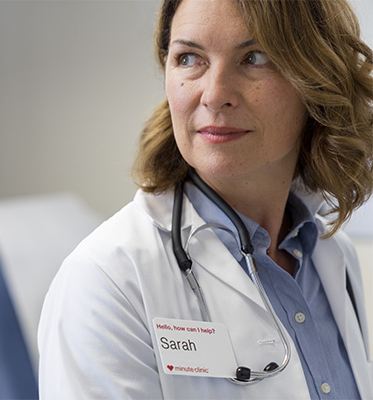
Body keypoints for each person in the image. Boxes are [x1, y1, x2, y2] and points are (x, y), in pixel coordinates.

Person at [38, 0, 373, 398]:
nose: (215, 95)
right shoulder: (107, 281)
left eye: (255, 57)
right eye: (189, 58)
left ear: (317, 78)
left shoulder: (330, 255)